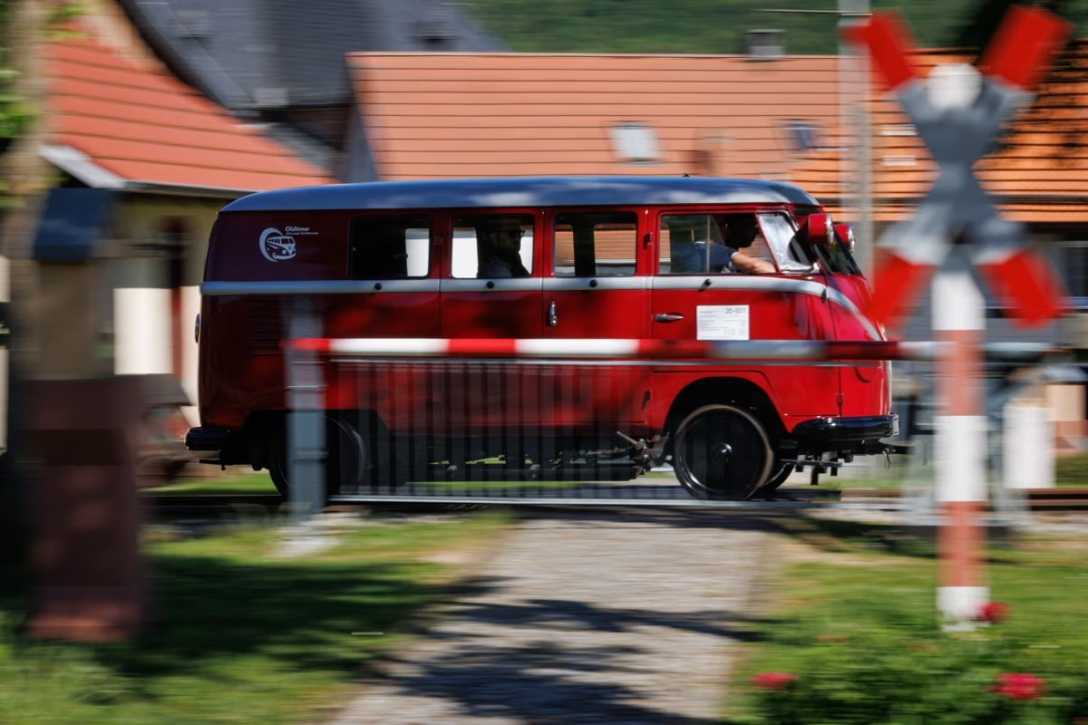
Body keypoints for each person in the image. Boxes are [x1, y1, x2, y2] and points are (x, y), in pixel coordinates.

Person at [668, 214, 775, 274]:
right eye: (749, 226)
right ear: (726, 228)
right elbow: (756, 266)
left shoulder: (698, 249)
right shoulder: (712, 250)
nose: (755, 232)